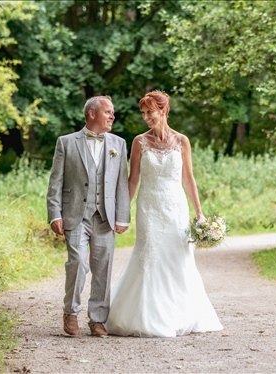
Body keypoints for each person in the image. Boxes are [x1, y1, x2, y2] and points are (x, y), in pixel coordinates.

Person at [105, 91, 223, 337]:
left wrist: (199, 213)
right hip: (149, 207)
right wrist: (121, 212)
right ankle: (147, 315)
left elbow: (188, 179)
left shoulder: (182, 141)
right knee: (149, 254)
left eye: (150, 112)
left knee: (177, 258)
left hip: (176, 207)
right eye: (144, 113)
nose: (146, 117)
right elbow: (133, 180)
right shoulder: (139, 142)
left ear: (163, 110)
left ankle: (179, 314)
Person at [47, 95, 131, 337]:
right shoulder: (66, 142)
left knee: (103, 267)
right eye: (108, 112)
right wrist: (55, 214)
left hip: (105, 216)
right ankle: (70, 312)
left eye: (113, 112)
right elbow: (56, 182)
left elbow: (121, 185)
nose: (112, 116)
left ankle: (97, 319)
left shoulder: (119, 144)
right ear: (92, 113)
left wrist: (122, 216)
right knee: (78, 263)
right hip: (75, 215)